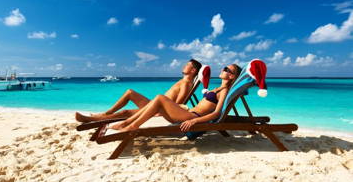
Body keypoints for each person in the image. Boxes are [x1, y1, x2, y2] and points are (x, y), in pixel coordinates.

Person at [110, 64, 242, 132]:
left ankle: (131, 125)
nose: (223, 69)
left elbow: (216, 113)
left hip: (192, 117)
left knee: (160, 98)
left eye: (227, 69)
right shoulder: (216, 89)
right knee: (157, 101)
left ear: (231, 76)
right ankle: (127, 123)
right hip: (187, 113)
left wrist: (194, 121)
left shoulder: (224, 90)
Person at [75, 59, 203, 122]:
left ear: (193, 71)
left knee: (126, 110)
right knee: (129, 93)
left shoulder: (186, 83)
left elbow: (176, 106)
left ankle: (94, 119)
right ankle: (105, 114)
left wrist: (159, 112)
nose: (184, 65)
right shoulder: (184, 81)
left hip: (159, 109)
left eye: (187, 65)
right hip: (157, 106)